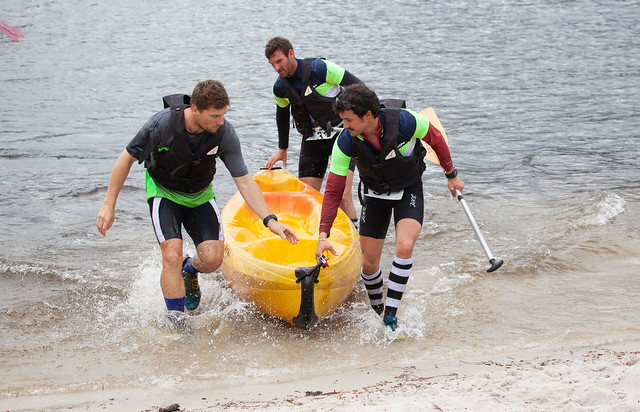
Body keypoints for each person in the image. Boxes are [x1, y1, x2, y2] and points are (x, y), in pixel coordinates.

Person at [97, 80, 298, 321]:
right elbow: (125, 160)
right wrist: (109, 204)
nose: (221, 121)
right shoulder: (160, 125)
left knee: (213, 259)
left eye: (223, 115)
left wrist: (270, 221)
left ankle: (189, 270)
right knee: (171, 253)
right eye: (215, 116)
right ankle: (177, 320)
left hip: (200, 194)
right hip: (164, 192)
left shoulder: (224, 133)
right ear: (194, 109)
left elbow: (243, 179)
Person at [314, 84, 464, 331]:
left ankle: (391, 317)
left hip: (408, 188)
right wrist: (323, 235)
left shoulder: (405, 122)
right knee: (368, 265)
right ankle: (377, 310)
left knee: (404, 246)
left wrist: (451, 174)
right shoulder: (344, 142)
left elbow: (435, 138)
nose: (345, 126)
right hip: (375, 193)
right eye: (343, 120)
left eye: (349, 120)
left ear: (369, 115)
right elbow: (333, 191)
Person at [264, 36, 362, 224]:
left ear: (290, 54)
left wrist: (360, 122)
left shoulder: (320, 69)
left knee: (341, 196)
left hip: (341, 135)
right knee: (306, 199)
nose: (277, 68)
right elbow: (282, 115)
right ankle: (316, 240)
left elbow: (358, 88)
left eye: (279, 61)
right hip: (312, 140)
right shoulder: (280, 87)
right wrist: (282, 148)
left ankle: (356, 243)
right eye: (272, 64)